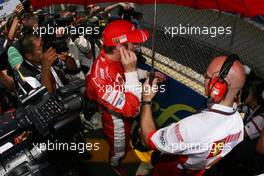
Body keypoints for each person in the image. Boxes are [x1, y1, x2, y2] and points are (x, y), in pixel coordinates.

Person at [140, 55, 246, 176]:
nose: (204, 79)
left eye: (206, 76)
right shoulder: (238, 124)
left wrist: (146, 100)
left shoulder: (192, 127)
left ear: (219, 86)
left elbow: (149, 140)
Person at [85, 19, 152, 175]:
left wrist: (147, 74)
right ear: (119, 46)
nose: (137, 46)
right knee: (119, 149)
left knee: (126, 141)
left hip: (123, 113)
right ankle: (114, 163)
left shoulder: (113, 57)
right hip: (116, 123)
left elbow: (125, 75)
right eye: (134, 43)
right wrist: (131, 71)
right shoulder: (100, 81)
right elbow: (133, 110)